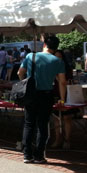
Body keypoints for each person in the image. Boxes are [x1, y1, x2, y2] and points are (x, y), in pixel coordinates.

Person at [17, 36, 66, 164]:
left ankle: (27, 155)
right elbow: (62, 82)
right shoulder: (58, 61)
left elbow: (19, 73)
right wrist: (62, 98)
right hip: (46, 95)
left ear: (44, 45)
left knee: (29, 124)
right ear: (56, 48)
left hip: (30, 94)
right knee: (42, 125)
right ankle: (39, 155)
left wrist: (24, 83)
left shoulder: (30, 56)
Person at [51, 50, 76, 150]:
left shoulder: (67, 68)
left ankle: (67, 140)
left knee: (67, 118)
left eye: (59, 57)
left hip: (67, 96)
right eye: (55, 57)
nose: (57, 59)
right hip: (54, 95)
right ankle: (58, 139)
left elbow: (69, 82)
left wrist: (61, 80)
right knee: (56, 118)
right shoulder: (50, 68)